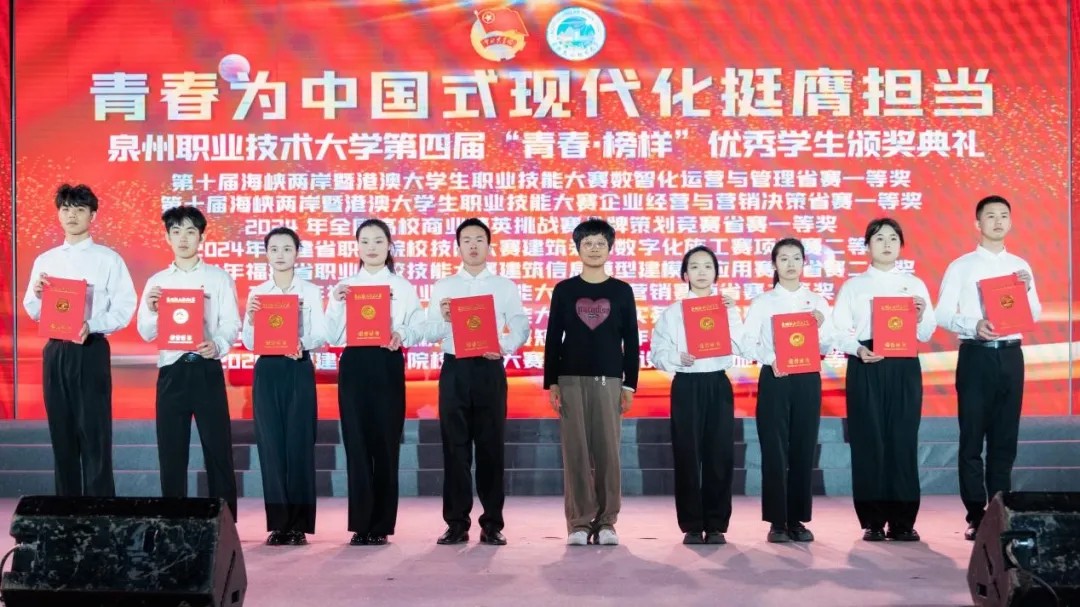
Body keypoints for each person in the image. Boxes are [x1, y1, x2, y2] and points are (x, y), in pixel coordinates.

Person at [935, 195, 1041, 540]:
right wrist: (974, 324)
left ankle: (1000, 510)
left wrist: (1025, 291)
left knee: (1005, 438)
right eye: (990, 216)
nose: (998, 221)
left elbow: (1035, 313)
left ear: (1011, 222)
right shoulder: (961, 266)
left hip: (1010, 356)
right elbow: (941, 314)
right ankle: (975, 515)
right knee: (972, 439)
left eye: (1004, 215)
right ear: (977, 223)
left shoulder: (1020, 266)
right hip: (976, 355)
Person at [22, 183, 137, 497]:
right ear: (59, 214)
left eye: (79, 209)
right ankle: (66, 509)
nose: (71, 215)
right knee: (61, 432)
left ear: (93, 215)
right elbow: (31, 308)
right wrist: (37, 295)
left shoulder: (108, 259)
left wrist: (92, 324)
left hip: (90, 348)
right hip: (56, 349)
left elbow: (125, 307)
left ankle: (100, 509)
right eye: (65, 209)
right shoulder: (45, 260)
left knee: (94, 432)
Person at [424, 218, 529, 546]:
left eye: (479, 239)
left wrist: (503, 346)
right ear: (458, 246)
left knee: (490, 447)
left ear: (489, 245)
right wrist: (443, 320)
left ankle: (492, 524)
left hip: (488, 369)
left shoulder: (503, 286)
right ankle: (456, 523)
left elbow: (520, 324)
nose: (473, 245)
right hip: (455, 369)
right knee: (454, 449)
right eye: (466, 240)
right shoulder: (444, 286)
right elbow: (428, 332)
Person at [833, 218, 936, 542]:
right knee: (869, 441)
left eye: (893, 238)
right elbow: (838, 330)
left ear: (901, 245)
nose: (887, 244)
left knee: (902, 441)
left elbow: (926, 332)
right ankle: (873, 521)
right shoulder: (853, 286)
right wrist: (857, 349)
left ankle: (903, 520)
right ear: (867, 246)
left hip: (904, 365)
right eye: (879, 238)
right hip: (866, 363)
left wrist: (920, 315)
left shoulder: (914, 284)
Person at [137, 205, 241, 520]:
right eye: (176, 232)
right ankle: (174, 520)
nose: (183, 239)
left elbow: (231, 323)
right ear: (167, 237)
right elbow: (145, 332)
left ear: (201, 237)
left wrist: (217, 344)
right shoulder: (157, 282)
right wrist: (152, 310)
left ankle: (225, 523)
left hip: (206, 367)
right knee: (171, 451)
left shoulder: (218, 278)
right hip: (172, 371)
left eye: (190, 232)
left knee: (218, 449)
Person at [326, 218, 423, 546]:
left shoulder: (402, 286)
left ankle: (380, 525)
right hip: (353, 365)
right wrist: (337, 302)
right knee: (356, 444)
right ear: (356, 247)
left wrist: (401, 334)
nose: (371, 247)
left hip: (386, 362)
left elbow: (418, 325)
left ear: (389, 246)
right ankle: (360, 524)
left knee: (385, 444)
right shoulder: (345, 286)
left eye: (378, 241)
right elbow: (331, 335)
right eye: (365, 241)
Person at [543, 218, 640, 546]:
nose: (594, 249)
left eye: (600, 243)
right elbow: (553, 337)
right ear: (578, 248)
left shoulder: (622, 291)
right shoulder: (565, 290)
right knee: (576, 453)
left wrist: (629, 385)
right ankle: (579, 524)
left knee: (608, 453)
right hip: (570, 380)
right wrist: (552, 382)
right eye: (588, 243)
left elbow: (632, 341)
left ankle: (607, 522)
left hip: (609, 380)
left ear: (610, 248)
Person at [741, 237, 835, 543]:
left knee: (803, 447)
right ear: (774, 264)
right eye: (784, 258)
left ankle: (797, 519)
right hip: (776, 377)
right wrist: (771, 359)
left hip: (807, 378)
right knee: (774, 448)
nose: (790, 264)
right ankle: (777, 522)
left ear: (804, 263)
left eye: (796, 258)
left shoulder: (817, 301)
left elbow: (828, 345)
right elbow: (746, 342)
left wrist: (820, 326)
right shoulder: (763, 302)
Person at [650, 245, 744, 545]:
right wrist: (677, 357)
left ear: (716, 273)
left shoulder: (726, 308)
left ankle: (716, 524)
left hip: (717, 383)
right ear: (684, 274)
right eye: (694, 266)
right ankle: (691, 524)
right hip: (686, 385)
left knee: (719, 454)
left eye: (707, 266)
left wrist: (733, 314)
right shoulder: (673, 312)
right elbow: (657, 352)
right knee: (687, 454)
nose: (701, 272)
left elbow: (743, 346)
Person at [240, 226, 327, 546]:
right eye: (274, 249)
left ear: (297, 254)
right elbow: (250, 343)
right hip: (268, 371)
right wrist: (251, 321)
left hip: (298, 367)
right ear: (266, 254)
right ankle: (279, 524)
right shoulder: (257, 293)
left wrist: (302, 343)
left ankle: (299, 525)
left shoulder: (310, 292)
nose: (280, 255)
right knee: (272, 447)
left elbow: (322, 333)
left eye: (287, 249)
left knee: (299, 445)